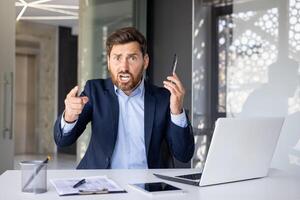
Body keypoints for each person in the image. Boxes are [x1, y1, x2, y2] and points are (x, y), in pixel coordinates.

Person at [54, 27, 194, 169]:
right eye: (117, 58)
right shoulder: (95, 91)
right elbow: (62, 141)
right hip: (100, 184)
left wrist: (177, 111)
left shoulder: (164, 99)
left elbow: (184, 154)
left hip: (147, 186)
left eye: (132, 58)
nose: (124, 67)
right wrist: (70, 116)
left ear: (145, 62)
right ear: (109, 61)